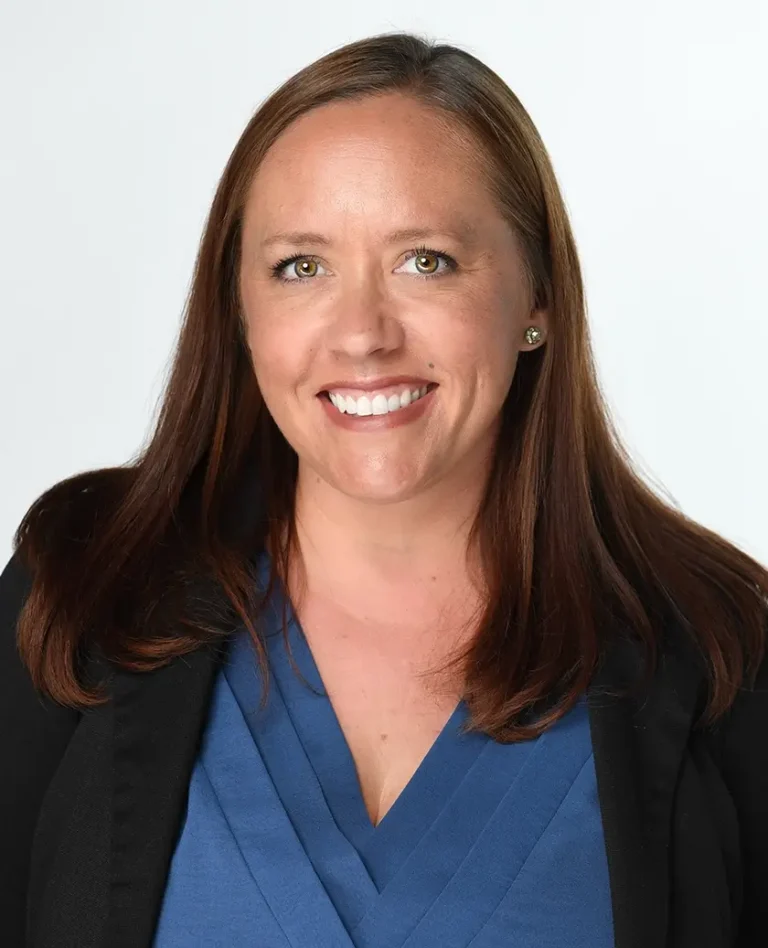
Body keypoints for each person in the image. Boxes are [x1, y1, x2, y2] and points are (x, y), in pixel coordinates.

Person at [1, 30, 766, 948]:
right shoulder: (81, 598)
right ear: (239, 314)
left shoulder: (722, 655)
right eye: (301, 267)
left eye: (426, 260)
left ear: (537, 300)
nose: (362, 334)